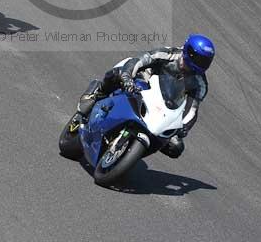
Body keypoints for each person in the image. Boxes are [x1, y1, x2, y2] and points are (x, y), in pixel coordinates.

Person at [69, 35, 215, 158]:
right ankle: (97, 93)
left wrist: (183, 128)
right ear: (188, 51)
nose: (195, 64)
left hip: (164, 105)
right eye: (195, 58)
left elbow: (192, 109)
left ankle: (131, 153)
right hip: (141, 82)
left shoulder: (200, 84)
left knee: (176, 148)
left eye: (202, 61)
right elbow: (139, 61)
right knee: (116, 75)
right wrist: (127, 77)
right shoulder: (168, 53)